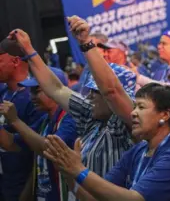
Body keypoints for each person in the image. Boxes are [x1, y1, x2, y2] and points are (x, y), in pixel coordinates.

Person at [11, 22, 137, 179]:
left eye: (95, 92)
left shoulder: (128, 123)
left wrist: (86, 42)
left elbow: (112, 91)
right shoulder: (92, 116)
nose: (89, 96)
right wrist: (28, 50)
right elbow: (57, 89)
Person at [42, 83, 170, 201]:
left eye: (141, 107)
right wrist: (69, 173)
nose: (133, 113)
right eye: (135, 107)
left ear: (164, 115)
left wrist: (79, 170)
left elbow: (133, 199)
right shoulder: (140, 149)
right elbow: (94, 198)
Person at [0, 67, 77, 201]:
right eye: (31, 91)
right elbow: (12, 143)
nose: (32, 96)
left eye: (37, 91)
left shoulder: (70, 119)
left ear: (55, 90)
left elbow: (50, 150)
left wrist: (15, 121)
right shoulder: (44, 121)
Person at [0, 37, 45, 200]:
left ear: (15, 61)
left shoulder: (34, 99)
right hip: (6, 181)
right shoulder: (4, 91)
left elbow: (35, 150)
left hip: (24, 183)